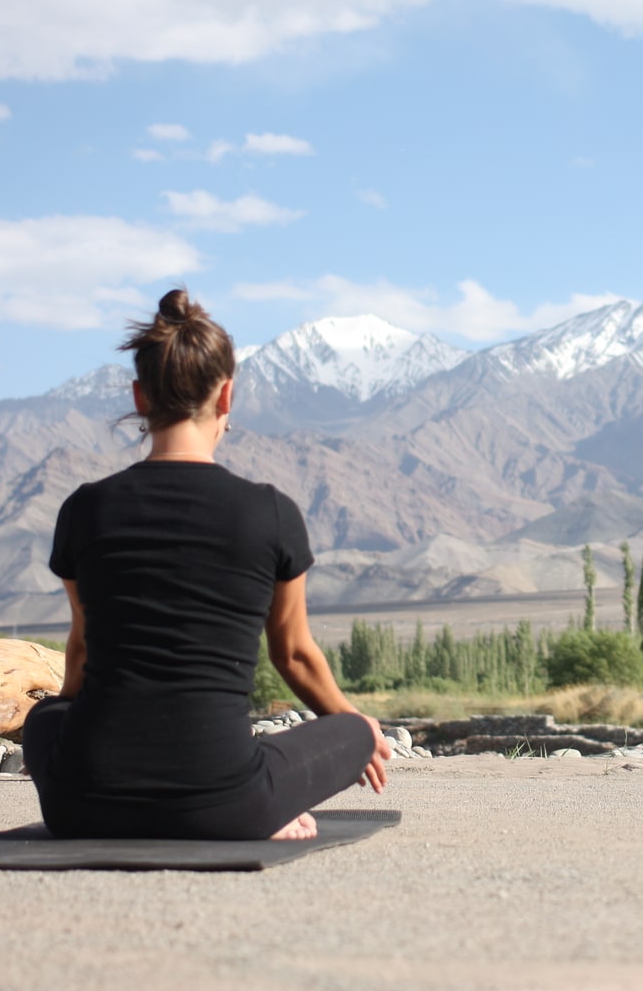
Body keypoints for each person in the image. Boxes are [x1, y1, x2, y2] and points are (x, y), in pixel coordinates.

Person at [23, 288, 390, 840]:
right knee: (352, 733)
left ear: (140, 396)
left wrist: (70, 724)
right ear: (226, 397)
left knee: (45, 718)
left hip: (82, 805)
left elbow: (82, 648)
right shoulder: (271, 512)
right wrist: (357, 725)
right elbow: (292, 655)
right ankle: (273, 802)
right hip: (225, 806)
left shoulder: (84, 509)